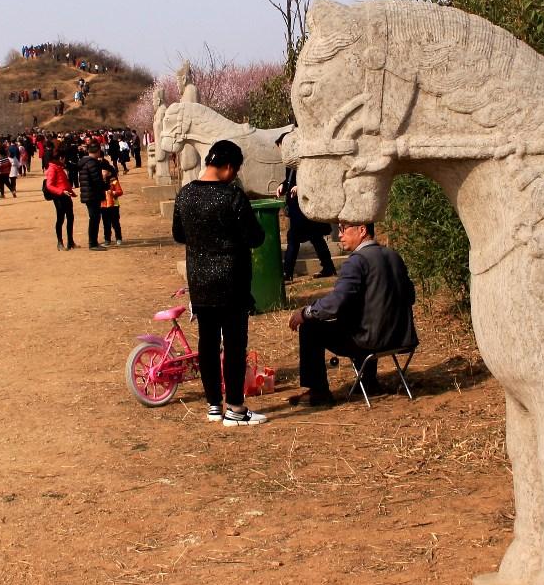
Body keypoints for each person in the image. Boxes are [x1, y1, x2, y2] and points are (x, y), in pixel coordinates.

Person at [171, 140, 268, 426]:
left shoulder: (185, 195)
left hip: (200, 281)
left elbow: (179, 235)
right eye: (235, 170)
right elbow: (256, 237)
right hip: (232, 281)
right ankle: (235, 408)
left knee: (208, 344)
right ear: (228, 167)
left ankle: (214, 404)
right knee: (235, 345)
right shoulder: (232, 197)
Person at [287, 222, 418, 406]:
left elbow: (336, 303)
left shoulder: (357, 260)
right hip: (401, 339)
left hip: (371, 342)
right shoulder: (393, 256)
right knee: (362, 315)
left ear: (362, 230)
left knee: (310, 327)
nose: (340, 235)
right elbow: (410, 296)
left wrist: (307, 312)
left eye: (343, 229)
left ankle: (318, 391)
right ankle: (368, 381)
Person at [276, 156, 336, 281]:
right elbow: (289, 181)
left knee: (295, 238)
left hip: (307, 207)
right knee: (315, 237)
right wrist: (283, 185)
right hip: (298, 210)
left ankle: (288, 273)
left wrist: (302, 187)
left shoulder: (306, 159)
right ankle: (328, 267)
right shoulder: (290, 164)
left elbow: (316, 178)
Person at [78, 144, 117, 250]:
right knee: (94, 218)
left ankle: (93, 242)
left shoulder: (84, 162)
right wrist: (105, 186)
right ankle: (92, 243)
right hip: (92, 194)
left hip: (89, 193)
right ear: (98, 152)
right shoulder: (92, 163)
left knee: (94, 218)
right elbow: (97, 180)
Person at [44, 149, 76, 250]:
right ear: (61, 158)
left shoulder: (59, 167)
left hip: (66, 195)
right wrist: (61, 192)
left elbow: (64, 182)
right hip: (59, 197)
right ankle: (60, 242)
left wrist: (71, 192)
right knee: (60, 219)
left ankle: (70, 241)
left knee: (70, 217)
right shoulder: (52, 168)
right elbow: (49, 185)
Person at [100, 172, 124, 246]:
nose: (103, 173)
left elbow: (120, 191)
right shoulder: (99, 181)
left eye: (104, 171)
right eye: (102, 171)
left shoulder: (114, 181)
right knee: (106, 224)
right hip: (103, 206)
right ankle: (107, 240)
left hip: (114, 205)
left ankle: (118, 238)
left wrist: (113, 192)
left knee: (115, 223)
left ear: (109, 172)